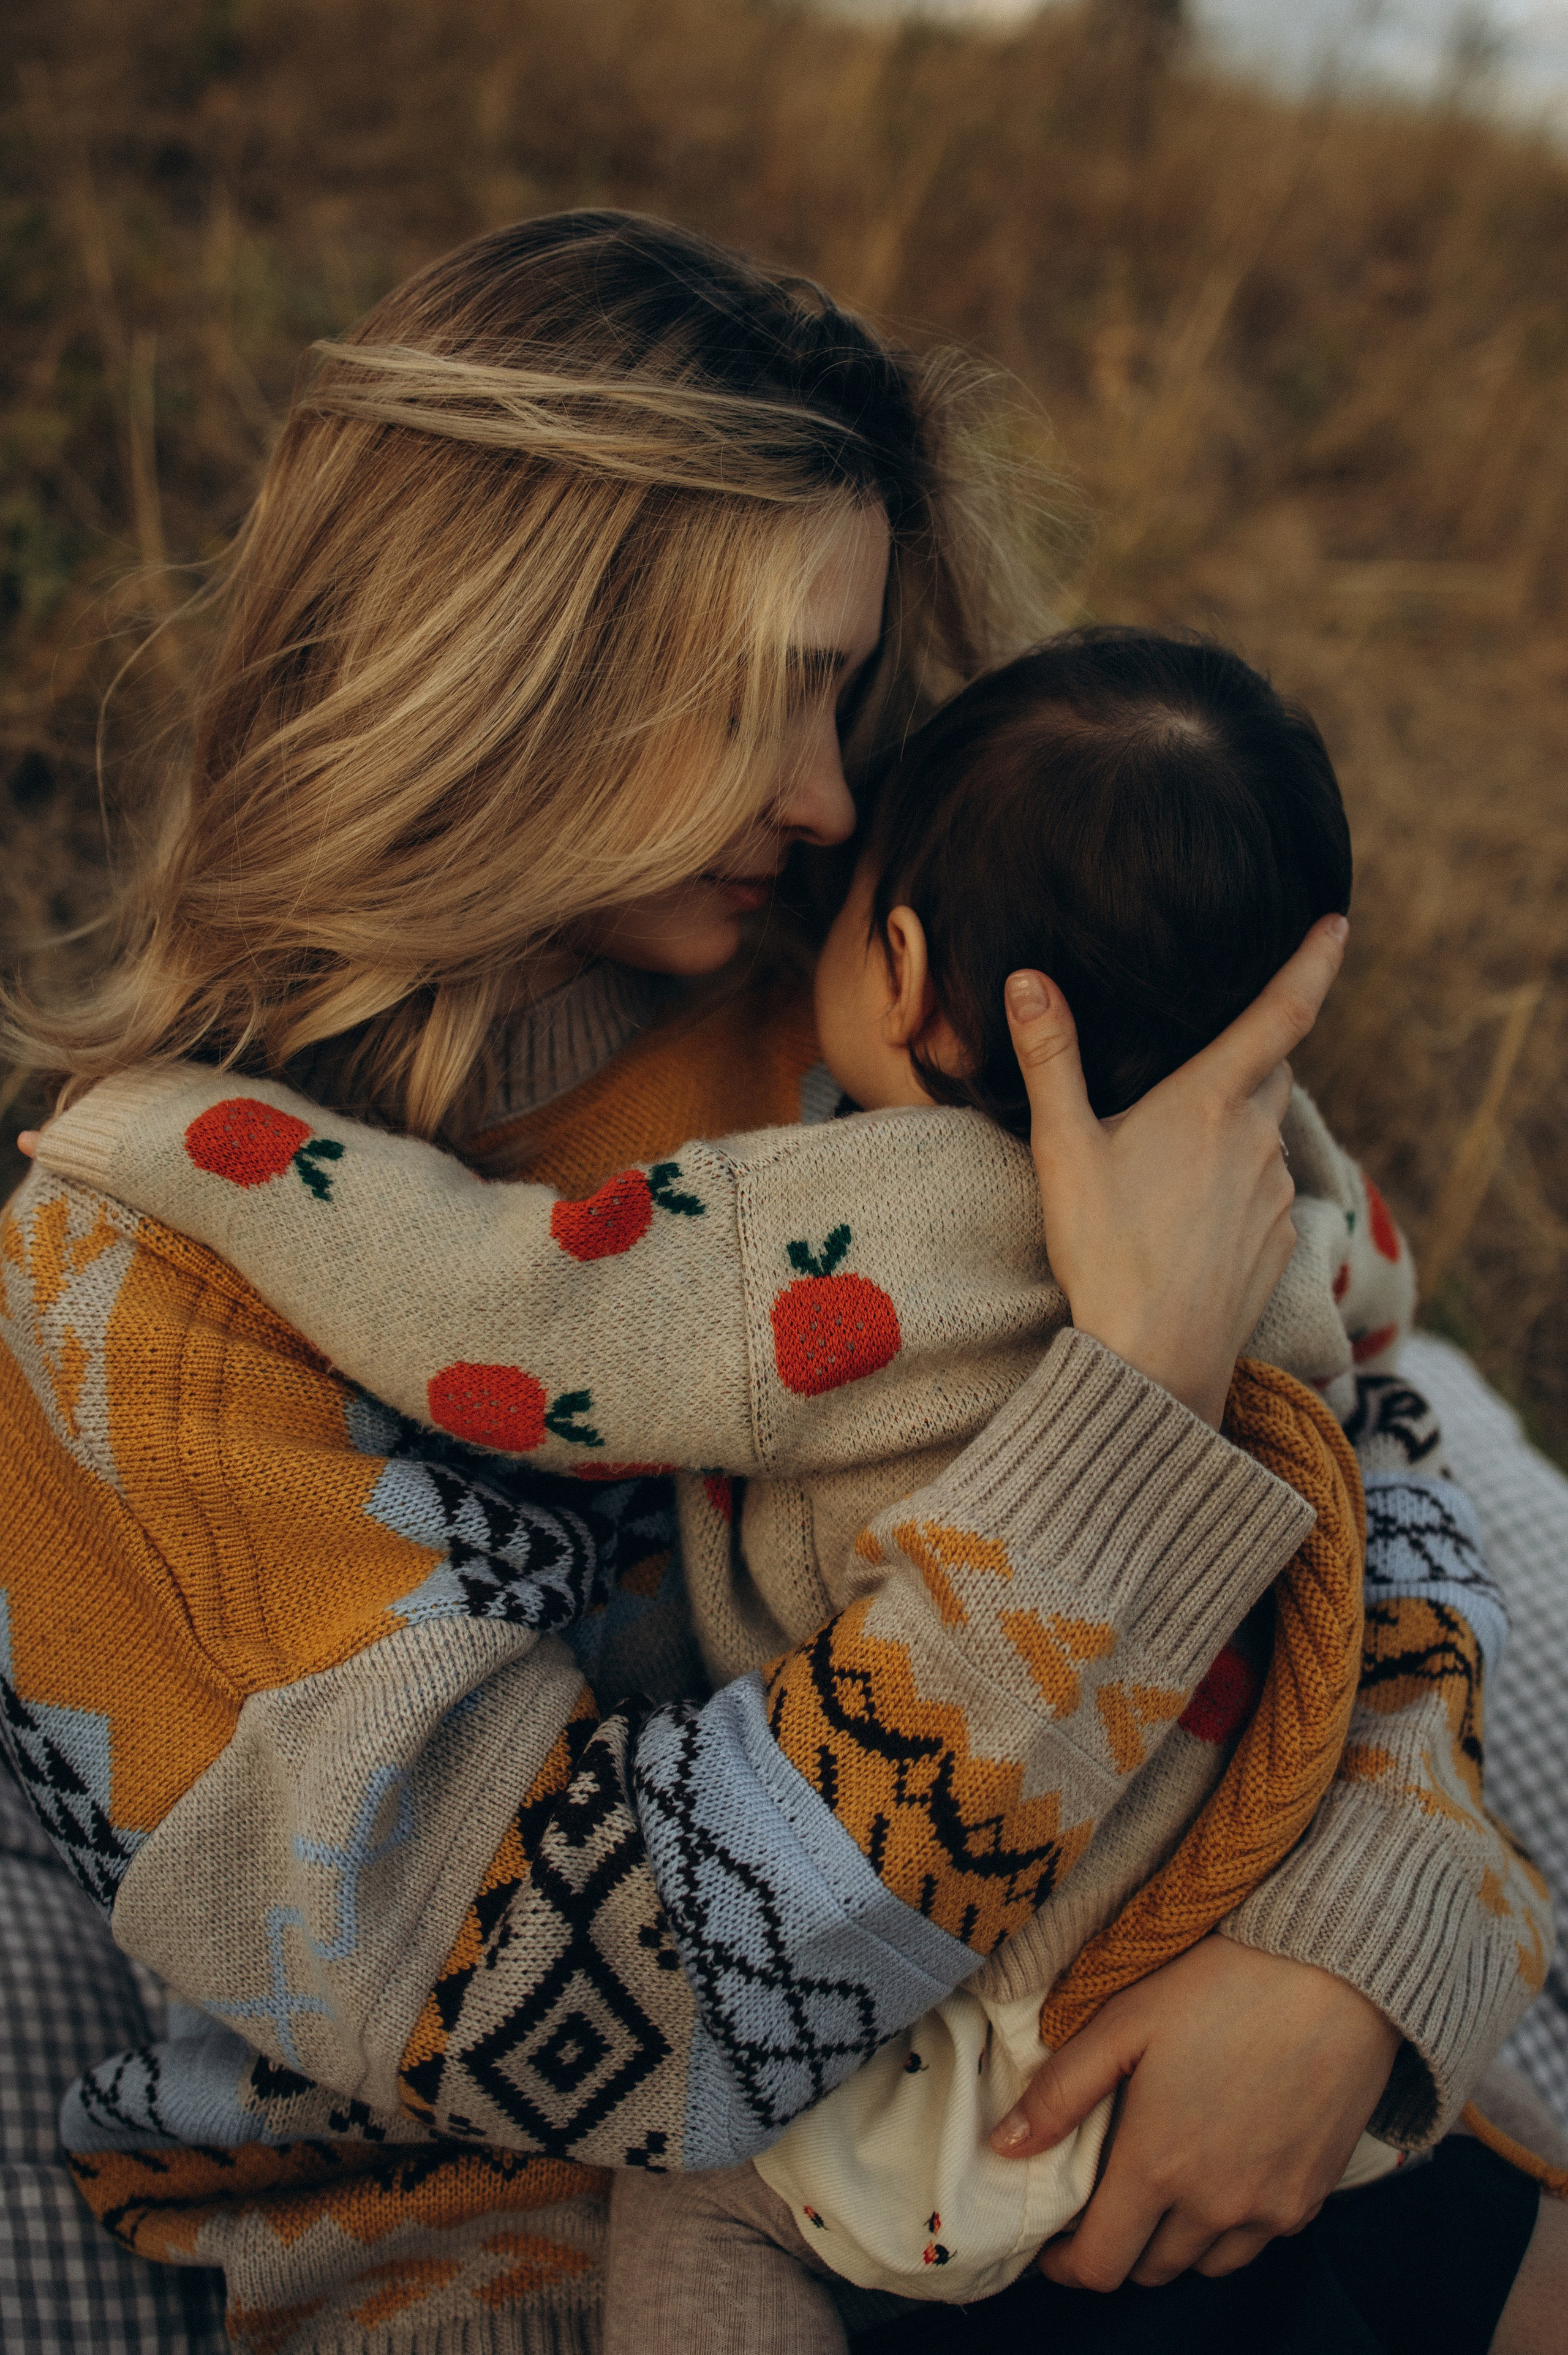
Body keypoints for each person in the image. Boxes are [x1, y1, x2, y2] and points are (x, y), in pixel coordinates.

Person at [0, 212, 1559, 2355]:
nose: (833, 792)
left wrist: (1358, 1935)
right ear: (502, 671)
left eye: (847, 684)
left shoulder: (877, 979)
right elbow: (593, 2000)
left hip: (1105, 2073)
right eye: (766, 697)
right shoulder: (133, 1290)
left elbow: (1362, 1395)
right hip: (563, 2243)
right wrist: (1116, 1432)